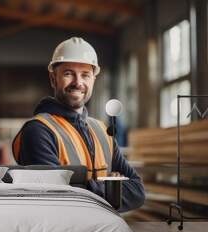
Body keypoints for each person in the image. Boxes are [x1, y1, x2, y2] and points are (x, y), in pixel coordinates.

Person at [12, 37, 144, 212]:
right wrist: (112, 190)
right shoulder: (39, 131)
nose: (78, 82)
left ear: (93, 80)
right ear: (53, 79)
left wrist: (83, 188)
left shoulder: (102, 131)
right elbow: (58, 197)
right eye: (68, 73)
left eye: (85, 75)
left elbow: (137, 192)